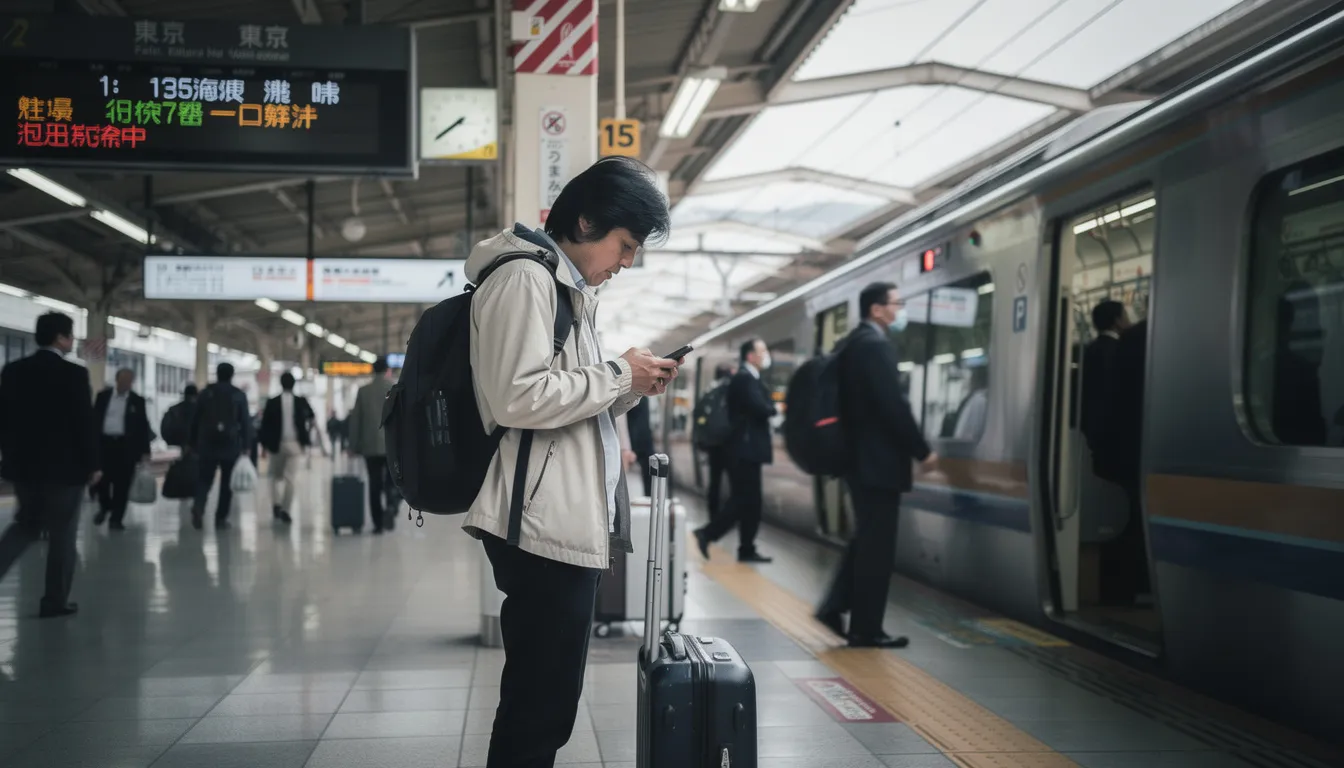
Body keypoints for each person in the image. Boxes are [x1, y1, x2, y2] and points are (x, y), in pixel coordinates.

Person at [462, 156, 677, 768]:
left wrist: (629, 386)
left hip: (558, 523)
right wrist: (616, 373)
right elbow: (517, 396)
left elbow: (565, 407)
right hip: (539, 529)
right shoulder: (526, 281)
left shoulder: (565, 291)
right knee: (539, 706)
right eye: (625, 244)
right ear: (585, 222)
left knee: (547, 701)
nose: (627, 262)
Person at [815, 282, 937, 648]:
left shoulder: (853, 343)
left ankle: (835, 607)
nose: (900, 311)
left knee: (867, 540)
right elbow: (893, 405)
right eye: (896, 304)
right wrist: (921, 450)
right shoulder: (874, 346)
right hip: (877, 462)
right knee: (877, 547)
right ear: (877, 310)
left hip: (859, 460)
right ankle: (866, 629)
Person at [0, 312, 99, 617]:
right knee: (62, 535)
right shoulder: (74, 374)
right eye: (70, 336)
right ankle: (54, 601)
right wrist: (93, 463)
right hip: (65, 470)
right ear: (60, 338)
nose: (72, 341)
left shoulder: (13, 371)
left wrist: (10, 458)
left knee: (25, 526)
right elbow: (84, 423)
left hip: (25, 468)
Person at [693, 339, 777, 564]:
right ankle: (708, 533)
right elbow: (762, 407)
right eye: (763, 351)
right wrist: (772, 407)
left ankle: (746, 548)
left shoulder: (750, 379)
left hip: (748, 449)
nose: (766, 355)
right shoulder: (744, 379)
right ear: (750, 356)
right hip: (744, 450)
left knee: (751, 502)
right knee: (743, 499)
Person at [189, 362, 252, 531]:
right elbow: (245, 422)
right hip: (230, 446)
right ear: (231, 376)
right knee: (226, 483)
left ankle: (199, 506)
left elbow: (195, 420)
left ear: (217, 374)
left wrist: (192, 443)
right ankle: (220, 518)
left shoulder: (205, 393)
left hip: (207, 444)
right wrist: (247, 445)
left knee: (204, 479)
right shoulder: (238, 395)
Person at [92, 368, 153, 530]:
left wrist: (145, 452)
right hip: (105, 445)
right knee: (101, 482)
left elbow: (142, 426)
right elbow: (94, 421)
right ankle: (105, 506)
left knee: (123, 484)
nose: (127, 384)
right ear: (117, 380)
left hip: (126, 447)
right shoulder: (103, 397)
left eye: (130, 381)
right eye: (124, 380)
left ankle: (116, 519)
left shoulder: (137, 401)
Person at [1080, 299, 1130, 483]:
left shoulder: (1089, 351)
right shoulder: (1120, 349)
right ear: (1117, 321)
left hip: (1096, 438)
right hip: (1117, 440)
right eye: (1125, 315)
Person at [258, 372, 315, 525]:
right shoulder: (301, 401)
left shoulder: (272, 402)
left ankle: (276, 504)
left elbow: (265, 426)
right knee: (290, 478)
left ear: (281, 384)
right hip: (295, 445)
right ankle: (286, 509)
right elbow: (312, 416)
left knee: (274, 477)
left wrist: (263, 446)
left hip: (276, 444)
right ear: (293, 384)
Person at [347, 358, 394, 533]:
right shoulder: (393, 387)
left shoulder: (363, 391)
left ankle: (378, 523)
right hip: (391, 446)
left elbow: (356, 420)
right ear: (387, 370)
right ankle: (391, 504)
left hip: (370, 446)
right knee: (392, 480)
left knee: (374, 483)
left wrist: (352, 445)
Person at [701, 362, 735, 523]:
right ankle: (727, 519)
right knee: (736, 484)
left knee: (715, 482)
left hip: (713, 445)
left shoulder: (710, 391)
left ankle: (713, 516)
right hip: (729, 444)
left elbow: (699, 415)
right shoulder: (731, 388)